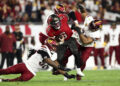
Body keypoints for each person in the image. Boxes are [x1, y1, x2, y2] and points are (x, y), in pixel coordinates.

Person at [0, 43, 75, 82]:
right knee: (7, 71)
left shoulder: (54, 55)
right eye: (54, 46)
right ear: (51, 45)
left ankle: (4, 80)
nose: (55, 48)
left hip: (31, 72)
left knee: (18, 80)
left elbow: (56, 66)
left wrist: (66, 75)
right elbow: (47, 60)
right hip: (25, 65)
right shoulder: (44, 48)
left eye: (56, 47)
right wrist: (59, 67)